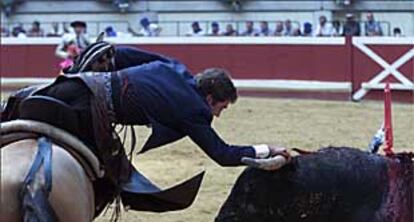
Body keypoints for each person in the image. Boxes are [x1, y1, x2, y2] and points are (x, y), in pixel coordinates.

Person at [8, 43, 289, 189]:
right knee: (112, 179)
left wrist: (85, 67)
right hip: (87, 114)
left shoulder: (173, 66)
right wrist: (268, 149)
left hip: (74, 85)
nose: (218, 114)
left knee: (14, 105)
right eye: (221, 107)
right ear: (210, 99)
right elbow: (223, 154)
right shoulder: (194, 110)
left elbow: (119, 53)